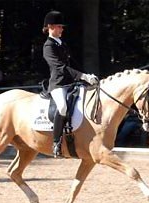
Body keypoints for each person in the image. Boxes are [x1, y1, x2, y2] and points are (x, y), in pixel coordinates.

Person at [42, 10, 99, 157]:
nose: (61, 29)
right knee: (62, 107)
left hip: (71, 83)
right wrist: (82, 76)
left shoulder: (62, 44)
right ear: (50, 27)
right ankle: (56, 143)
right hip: (58, 84)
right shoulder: (48, 46)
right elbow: (59, 67)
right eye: (59, 26)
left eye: (62, 27)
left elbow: (72, 63)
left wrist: (86, 76)